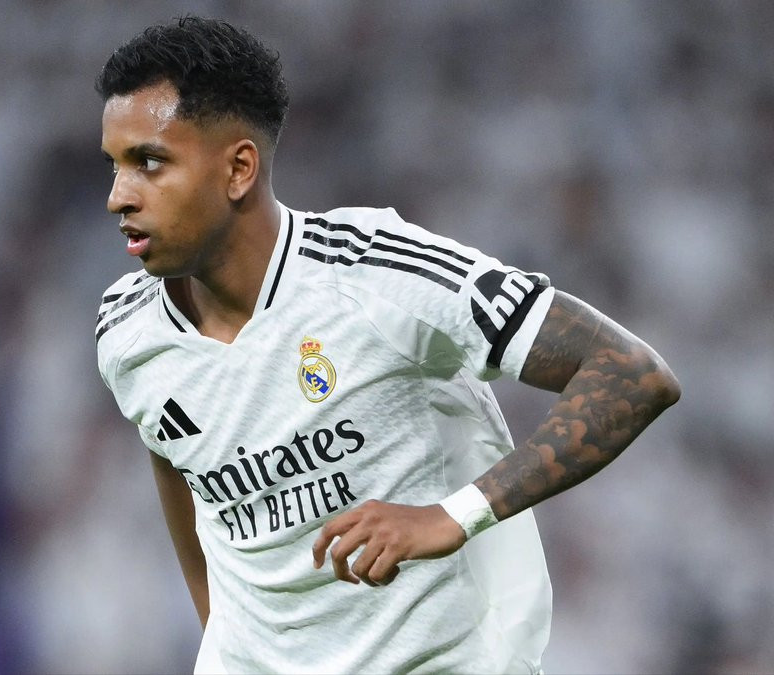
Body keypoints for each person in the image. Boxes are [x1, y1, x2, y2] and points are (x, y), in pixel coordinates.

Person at [94, 16, 680, 674]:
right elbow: (179, 457)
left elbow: (632, 374)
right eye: (114, 165)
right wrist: (225, 642)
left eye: (148, 162)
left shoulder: (374, 272)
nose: (118, 197)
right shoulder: (126, 331)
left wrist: (451, 516)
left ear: (238, 169)